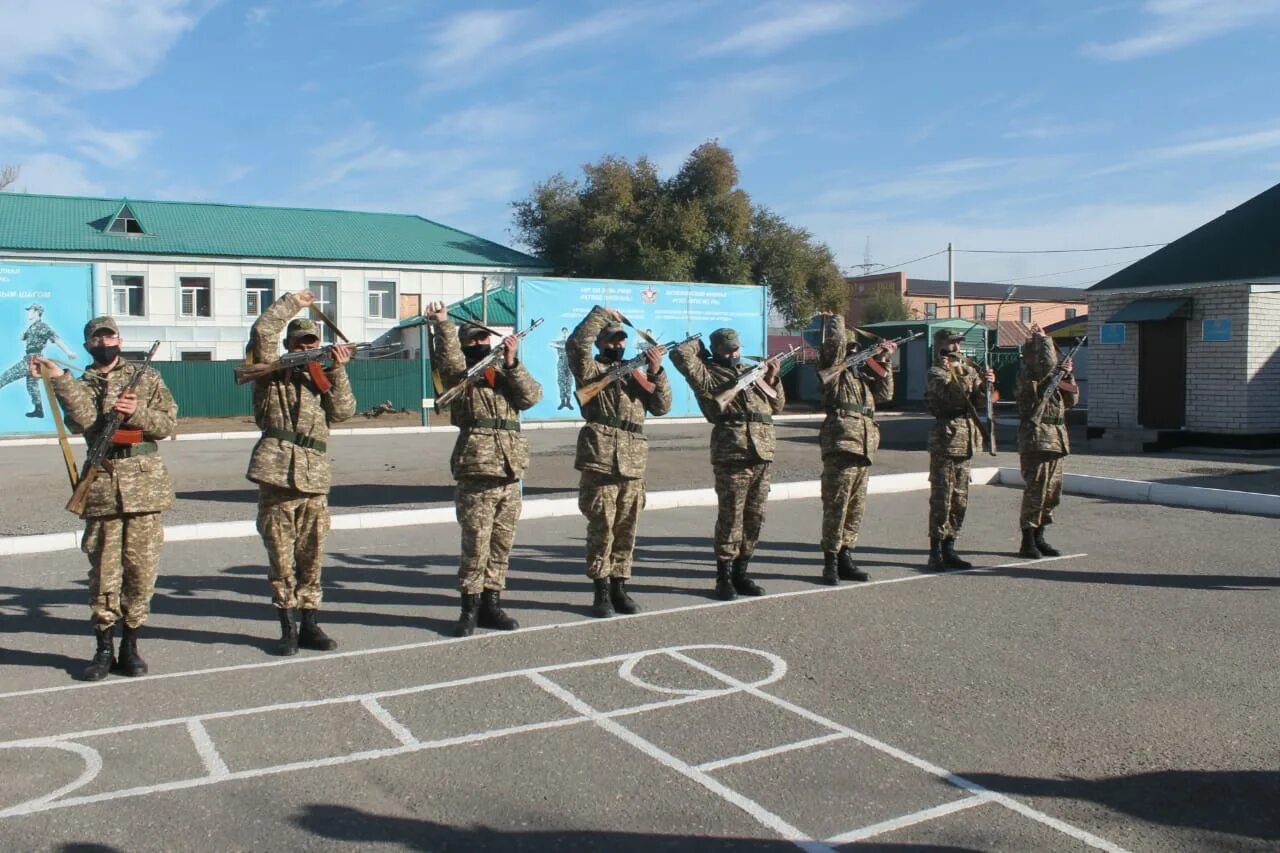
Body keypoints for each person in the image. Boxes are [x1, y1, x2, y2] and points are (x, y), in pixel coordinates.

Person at [31, 316, 176, 680]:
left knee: (141, 573)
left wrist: (136, 411)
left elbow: (168, 425)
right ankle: (103, 648)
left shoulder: (148, 377)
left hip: (145, 489)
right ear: (87, 346)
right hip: (103, 488)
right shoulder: (82, 382)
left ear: (120, 339)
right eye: (97, 338)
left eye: (109, 336)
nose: (104, 342)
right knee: (104, 575)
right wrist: (61, 380)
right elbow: (80, 422)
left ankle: (131, 646)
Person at [245, 291, 356, 656]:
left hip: (315, 478)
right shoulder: (270, 375)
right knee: (280, 557)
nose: (306, 346)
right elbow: (263, 331)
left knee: (312, 555)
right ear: (289, 344)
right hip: (277, 475)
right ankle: (286, 626)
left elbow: (343, 412)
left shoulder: (322, 378)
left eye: (311, 341)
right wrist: (293, 302)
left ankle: (310, 622)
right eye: (299, 341)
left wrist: (337, 370)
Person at [427, 301, 542, 637]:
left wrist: (512, 361)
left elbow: (532, 396)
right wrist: (443, 325)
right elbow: (448, 359)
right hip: (477, 468)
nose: (479, 344)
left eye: (483, 340)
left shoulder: (506, 374)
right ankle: (469, 607)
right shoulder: (460, 376)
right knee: (475, 543)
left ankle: (492, 603)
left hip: (510, 469)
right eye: (472, 341)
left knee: (501, 544)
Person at [567, 306, 671, 617]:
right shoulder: (590, 370)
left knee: (627, 529)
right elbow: (576, 343)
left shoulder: (637, 373)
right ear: (599, 343)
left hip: (633, 461)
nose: (617, 345)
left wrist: (656, 372)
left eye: (621, 340)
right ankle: (600, 592)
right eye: (611, 341)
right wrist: (600, 314)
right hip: (601, 459)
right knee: (602, 528)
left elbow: (662, 406)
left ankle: (619, 587)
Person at [671, 328, 784, 599]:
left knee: (755, 517)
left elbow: (777, 406)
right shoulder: (707, 373)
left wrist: (771, 377)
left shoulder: (751, 371)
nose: (733, 354)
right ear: (716, 350)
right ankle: (724, 577)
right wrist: (698, 345)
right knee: (731, 516)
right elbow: (679, 355)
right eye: (727, 350)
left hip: (762, 452)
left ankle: (742, 573)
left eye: (736, 348)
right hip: (733, 453)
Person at [816, 313, 896, 584]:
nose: (853, 353)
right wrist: (838, 320)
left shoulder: (861, 380)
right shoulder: (834, 374)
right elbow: (834, 346)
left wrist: (883, 358)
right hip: (841, 446)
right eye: (849, 349)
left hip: (864, 449)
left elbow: (885, 394)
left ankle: (846, 556)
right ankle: (830, 562)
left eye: (856, 350)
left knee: (855, 509)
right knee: (836, 508)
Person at [924, 328, 994, 571]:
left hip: (966, 442)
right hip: (946, 440)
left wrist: (986, 385)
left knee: (960, 500)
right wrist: (961, 374)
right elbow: (952, 398)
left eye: (958, 343)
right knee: (942, 499)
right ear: (941, 345)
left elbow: (981, 401)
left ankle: (950, 547)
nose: (956, 348)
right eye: (952, 343)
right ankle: (935, 552)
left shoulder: (967, 369)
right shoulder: (936, 372)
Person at [1015, 325, 1077, 558]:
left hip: (1056, 437)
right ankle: (1027, 540)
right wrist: (1042, 338)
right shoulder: (1029, 373)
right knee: (1036, 491)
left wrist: (1066, 374)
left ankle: (1040, 536)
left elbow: (1071, 400)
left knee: (1052, 492)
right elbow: (1046, 364)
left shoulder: (1052, 375)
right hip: (1037, 437)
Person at [2, 302, 77, 418]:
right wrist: (22, 336)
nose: (28, 313)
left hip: (32, 359)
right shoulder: (32, 327)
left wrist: (68, 352)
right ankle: (39, 410)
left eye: (30, 310)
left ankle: (38, 409)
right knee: (32, 385)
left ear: (37, 312)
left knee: (6, 376)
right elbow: (24, 337)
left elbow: (55, 339)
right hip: (34, 359)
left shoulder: (43, 326)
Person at [551, 327, 574, 410]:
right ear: (562, 332)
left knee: (569, 382)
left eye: (565, 332)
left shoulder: (571, 341)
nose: (564, 333)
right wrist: (561, 346)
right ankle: (562, 401)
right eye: (563, 332)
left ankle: (568, 401)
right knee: (561, 381)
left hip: (569, 363)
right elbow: (551, 343)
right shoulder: (560, 341)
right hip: (561, 363)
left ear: (567, 332)